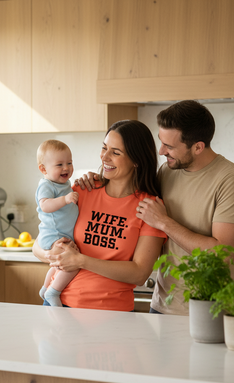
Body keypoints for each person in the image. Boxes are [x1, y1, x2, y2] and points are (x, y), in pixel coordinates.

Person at [77, 100, 234, 315]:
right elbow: (128, 189)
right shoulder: (167, 172)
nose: (161, 151)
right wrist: (98, 178)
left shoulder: (232, 181)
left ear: (198, 147)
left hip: (211, 310)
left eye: (169, 147)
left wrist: (163, 222)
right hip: (162, 305)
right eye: (161, 142)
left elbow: (222, 255)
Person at [33, 120, 167, 312]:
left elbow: (139, 273)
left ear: (136, 160)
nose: (104, 156)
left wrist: (81, 261)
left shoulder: (150, 208)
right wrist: (50, 253)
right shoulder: (83, 190)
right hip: (60, 304)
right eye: (104, 148)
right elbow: (37, 244)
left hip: (114, 313)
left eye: (116, 152)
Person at [36, 140, 80, 307]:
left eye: (69, 163)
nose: (66, 168)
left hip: (60, 234)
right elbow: (45, 205)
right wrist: (65, 199)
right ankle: (54, 291)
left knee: (58, 265)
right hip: (53, 234)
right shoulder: (46, 185)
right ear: (43, 169)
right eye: (59, 164)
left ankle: (45, 287)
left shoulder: (64, 184)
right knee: (73, 264)